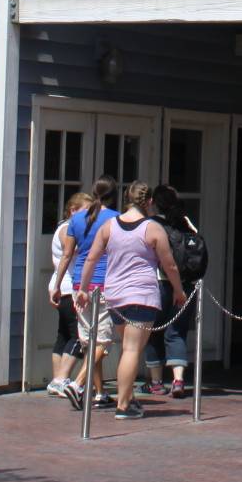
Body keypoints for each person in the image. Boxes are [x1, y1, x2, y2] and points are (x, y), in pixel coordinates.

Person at [77, 182, 187, 419]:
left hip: (115, 295)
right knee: (131, 350)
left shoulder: (108, 226)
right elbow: (169, 264)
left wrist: (83, 288)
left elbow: (91, 259)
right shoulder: (152, 228)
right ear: (148, 203)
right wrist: (178, 291)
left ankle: (129, 399)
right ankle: (123, 405)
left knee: (128, 348)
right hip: (141, 295)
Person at [53, 175, 118, 408]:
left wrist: (58, 285)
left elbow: (67, 254)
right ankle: (78, 383)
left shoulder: (77, 219)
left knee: (90, 342)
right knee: (103, 342)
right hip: (104, 284)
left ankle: (99, 393)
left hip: (81, 283)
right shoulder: (115, 219)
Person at [144, 185, 202, 398]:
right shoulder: (185, 222)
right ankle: (178, 380)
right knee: (177, 332)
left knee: (152, 331)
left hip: (158, 283)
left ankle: (157, 383)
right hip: (186, 283)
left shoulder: (151, 224)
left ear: (153, 203)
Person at [45, 193, 90, 396]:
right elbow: (69, 251)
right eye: (86, 211)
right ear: (73, 210)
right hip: (67, 287)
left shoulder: (68, 227)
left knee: (63, 334)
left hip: (62, 286)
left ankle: (57, 380)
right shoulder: (66, 229)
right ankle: (62, 378)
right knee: (78, 336)